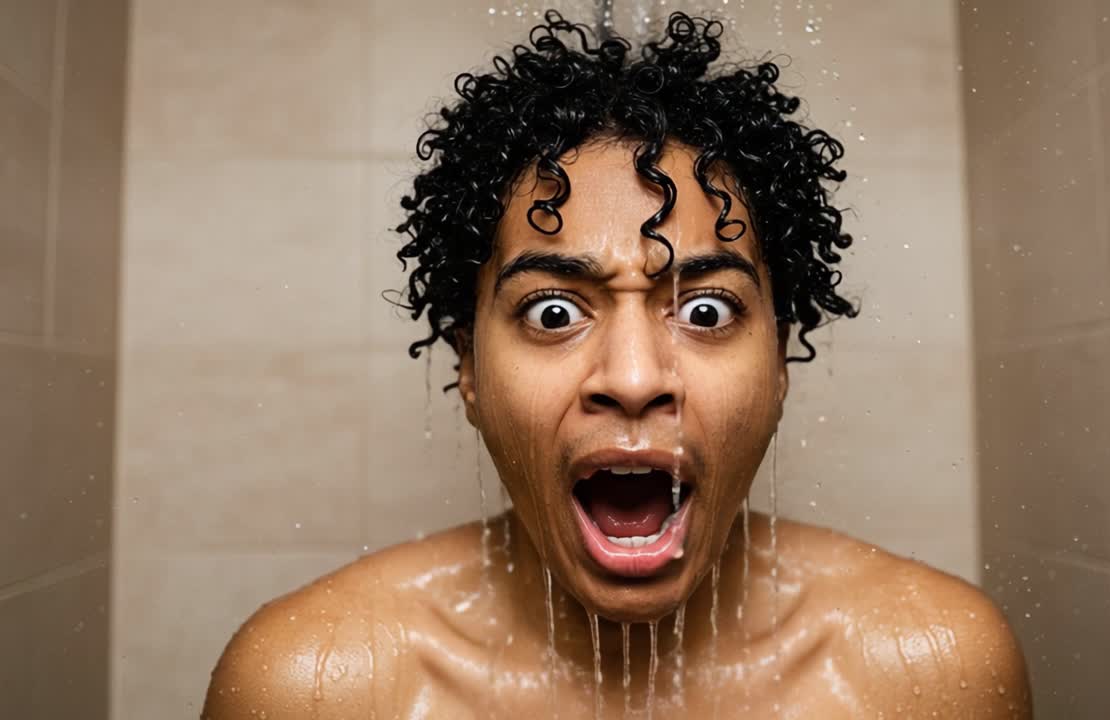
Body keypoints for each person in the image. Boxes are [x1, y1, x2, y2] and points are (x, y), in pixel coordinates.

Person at [202, 11, 1031, 719]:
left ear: (779, 362)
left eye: (705, 311)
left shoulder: (931, 674)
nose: (633, 378)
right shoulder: (317, 686)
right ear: (468, 370)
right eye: (553, 312)